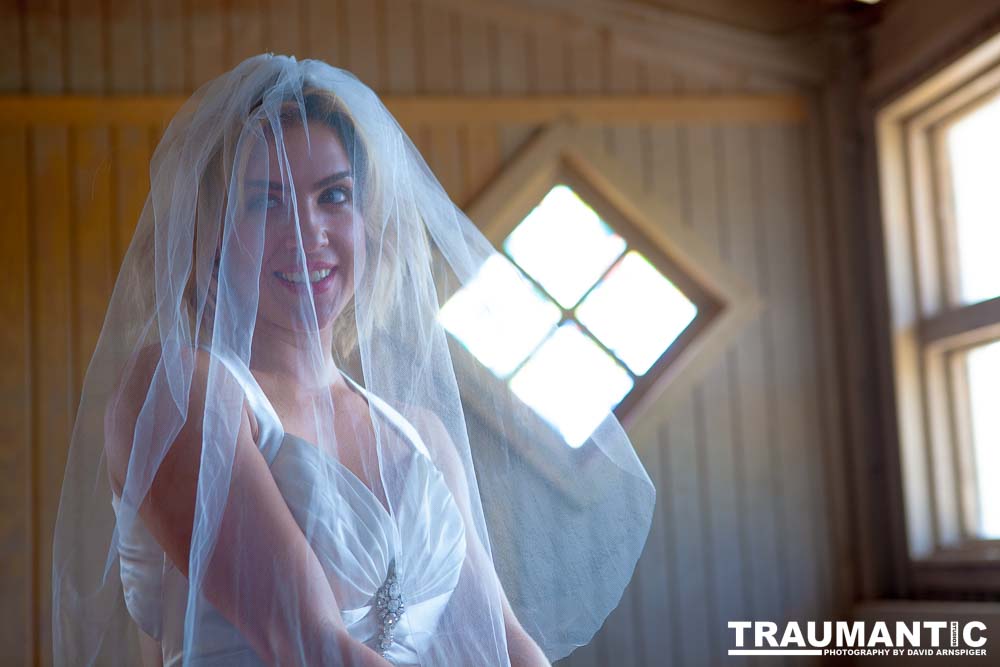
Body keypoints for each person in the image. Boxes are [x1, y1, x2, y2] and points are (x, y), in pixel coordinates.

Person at [51, 54, 655, 666]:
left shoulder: (423, 436)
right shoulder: (180, 391)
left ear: (367, 220)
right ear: (208, 232)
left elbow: (501, 646)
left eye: (333, 196)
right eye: (266, 202)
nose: (307, 231)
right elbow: (309, 647)